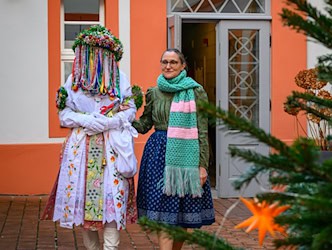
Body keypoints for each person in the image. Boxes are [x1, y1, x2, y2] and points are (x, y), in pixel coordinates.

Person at [42, 25, 138, 250]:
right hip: (81, 148)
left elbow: (130, 110)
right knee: (84, 199)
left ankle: (110, 248)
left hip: (111, 146)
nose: (96, 57)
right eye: (91, 52)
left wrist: (108, 122)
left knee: (112, 199)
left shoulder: (119, 78)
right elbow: (63, 114)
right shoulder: (73, 81)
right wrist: (86, 120)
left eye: (101, 52)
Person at [132, 48, 215, 250]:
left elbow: (202, 131)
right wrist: (125, 115)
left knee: (182, 217)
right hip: (157, 157)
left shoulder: (196, 91)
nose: (168, 66)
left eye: (173, 62)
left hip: (187, 157)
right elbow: (144, 125)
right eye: (164, 62)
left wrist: (202, 166)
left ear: (183, 65)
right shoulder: (153, 92)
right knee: (164, 216)